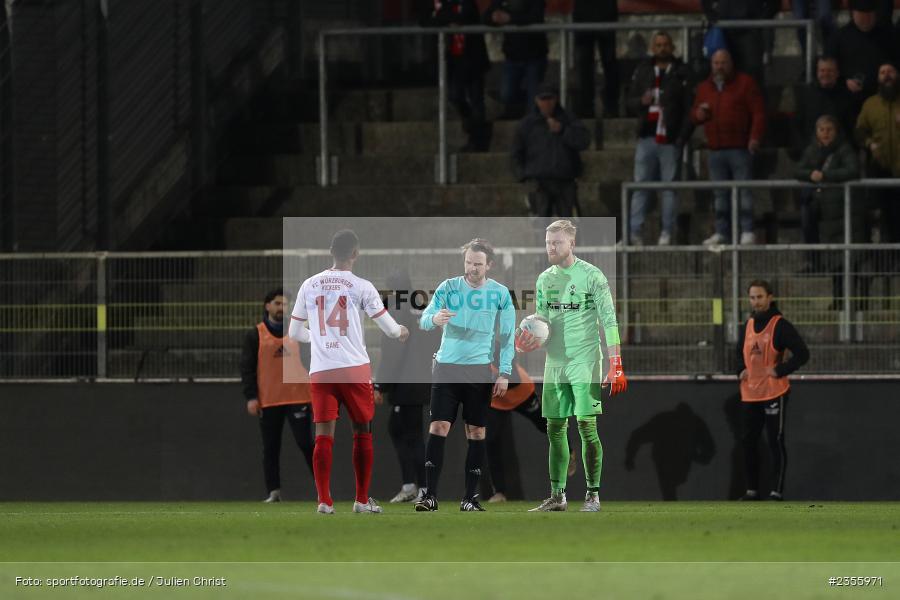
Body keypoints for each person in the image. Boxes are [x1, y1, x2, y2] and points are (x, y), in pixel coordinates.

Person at [288, 230, 409, 515]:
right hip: (354, 370)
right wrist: (402, 331)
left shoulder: (309, 284)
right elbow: (391, 329)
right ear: (355, 254)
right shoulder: (362, 286)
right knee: (362, 431)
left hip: (322, 371)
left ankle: (323, 501)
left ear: (331, 251)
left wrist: (317, 339)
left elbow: (294, 332)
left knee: (323, 435)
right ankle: (361, 500)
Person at [517, 219, 627, 512]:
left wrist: (615, 363)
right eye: (548, 242)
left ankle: (592, 495)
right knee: (554, 428)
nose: (551, 247)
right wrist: (530, 339)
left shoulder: (592, 276)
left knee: (586, 427)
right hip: (555, 362)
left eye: (557, 242)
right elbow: (542, 323)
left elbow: (609, 320)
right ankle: (557, 495)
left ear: (572, 244)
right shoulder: (544, 280)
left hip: (585, 360)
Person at [415, 238, 516, 512]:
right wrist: (433, 320)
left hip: (479, 372)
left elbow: (507, 337)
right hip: (446, 367)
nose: (472, 268)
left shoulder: (500, 294)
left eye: (478, 264)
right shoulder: (448, 288)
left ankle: (470, 499)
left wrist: (504, 372)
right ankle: (430, 496)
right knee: (438, 427)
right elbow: (424, 319)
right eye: (469, 262)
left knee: (477, 432)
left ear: (489, 265)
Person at [737, 280, 809, 501]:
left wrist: (781, 369)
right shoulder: (748, 325)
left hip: (773, 392)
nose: (756, 302)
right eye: (752, 297)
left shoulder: (780, 325)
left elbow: (802, 353)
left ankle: (776, 491)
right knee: (749, 442)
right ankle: (751, 491)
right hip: (751, 393)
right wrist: (740, 369)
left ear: (770, 297)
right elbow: (739, 353)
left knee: (774, 440)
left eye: (759, 297)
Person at [240, 288, 314, 503]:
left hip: (298, 397)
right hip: (269, 399)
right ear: (268, 306)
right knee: (271, 447)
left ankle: (323, 488)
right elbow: (247, 368)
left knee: (307, 445)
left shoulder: (299, 331)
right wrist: (251, 397)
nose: (282, 308)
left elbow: (313, 360)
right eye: (277, 303)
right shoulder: (255, 334)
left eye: (285, 304)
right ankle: (274, 492)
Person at [374, 269, 441, 503]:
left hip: (406, 382)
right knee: (401, 429)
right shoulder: (421, 305)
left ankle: (421, 488)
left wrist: (381, 384)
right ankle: (412, 486)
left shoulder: (397, 307)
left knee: (410, 434)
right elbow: (436, 337)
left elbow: (393, 347)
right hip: (422, 378)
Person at [625, 31, 694, 246]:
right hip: (646, 136)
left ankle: (666, 232)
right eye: (658, 45)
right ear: (652, 48)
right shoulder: (643, 70)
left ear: (672, 47)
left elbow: (688, 108)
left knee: (669, 189)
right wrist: (641, 102)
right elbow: (629, 102)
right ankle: (634, 233)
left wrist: (681, 138)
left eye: (666, 44)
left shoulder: (682, 72)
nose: (662, 48)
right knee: (640, 187)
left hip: (670, 139)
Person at [691, 49, 766, 245]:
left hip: (740, 148)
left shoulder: (745, 83)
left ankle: (748, 230)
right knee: (720, 194)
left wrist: (754, 138)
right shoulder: (704, 87)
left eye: (723, 62)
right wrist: (698, 114)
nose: (719, 67)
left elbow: (758, 113)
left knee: (744, 192)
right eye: (716, 63)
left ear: (731, 63)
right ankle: (722, 231)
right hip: (715, 149)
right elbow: (694, 114)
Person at [792, 57, 856, 247]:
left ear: (837, 73)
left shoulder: (846, 96)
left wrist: (827, 173)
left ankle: (840, 261)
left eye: (829, 70)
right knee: (807, 213)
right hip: (813, 165)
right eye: (822, 70)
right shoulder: (807, 94)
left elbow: (852, 167)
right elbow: (797, 125)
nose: (825, 74)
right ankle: (813, 260)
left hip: (838, 169)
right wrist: (808, 158)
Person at [512, 84, 591, 217]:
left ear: (556, 99)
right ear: (536, 101)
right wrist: (523, 176)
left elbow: (584, 141)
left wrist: (563, 130)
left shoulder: (568, 119)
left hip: (565, 180)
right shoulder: (527, 124)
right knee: (541, 225)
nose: (546, 103)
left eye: (550, 99)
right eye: (543, 99)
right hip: (538, 182)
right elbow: (516, 152)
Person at [427, 0, 491, 151]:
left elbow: (465, 16)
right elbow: (429, 19)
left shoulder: (467, 3)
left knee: (477, 101)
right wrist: (445, 18)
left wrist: (443, 18)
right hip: (453, 61)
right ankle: (471, 124)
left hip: (473, 59)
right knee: (454, 96)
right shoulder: (441, 4)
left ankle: (478, 141)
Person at [795, 115, 862, 251]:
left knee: (837, 232)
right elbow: (797, 170)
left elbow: (852, 170)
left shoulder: (844, 149)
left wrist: (826, 176)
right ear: (816, 132)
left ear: (836, 131)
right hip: (816, 199)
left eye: (829, 130)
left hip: (838, 198)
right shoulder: (811, 149)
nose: (825, 133)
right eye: (821, 130)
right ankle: (814, 262)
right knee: (808, 223)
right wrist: (810, 174)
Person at [827, 0, 899, 116]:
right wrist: (844, 81)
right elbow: (828, 66)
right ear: (853, 14)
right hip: (849, 100)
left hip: (882, 99)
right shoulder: (840, 37)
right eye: (862, 16)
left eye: (869, 16)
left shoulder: (887, 35)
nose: (866, 19)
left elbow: (896, 62)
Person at [854, 62, 900, 242]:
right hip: (879, 168)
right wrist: (869, 142)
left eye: (890, 71)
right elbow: (859, 131)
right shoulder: (870, 104)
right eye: (882, 72)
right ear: (878, 78)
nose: (887, 75)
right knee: (884, 215)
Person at [483, 0, 547, 118]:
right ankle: (528, 103)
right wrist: (494, 17)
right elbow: (486, 17)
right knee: (506, 95)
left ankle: (533, 122)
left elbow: (535, 17)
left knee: (532, 104)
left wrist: (510, 18)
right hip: (512, 55)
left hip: (534, 55)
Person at [573, 0, 620, 119]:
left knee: (608, 64)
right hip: (585, 17)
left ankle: (609, 106)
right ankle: (587, 107)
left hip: (602, 15)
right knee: (585, 66)